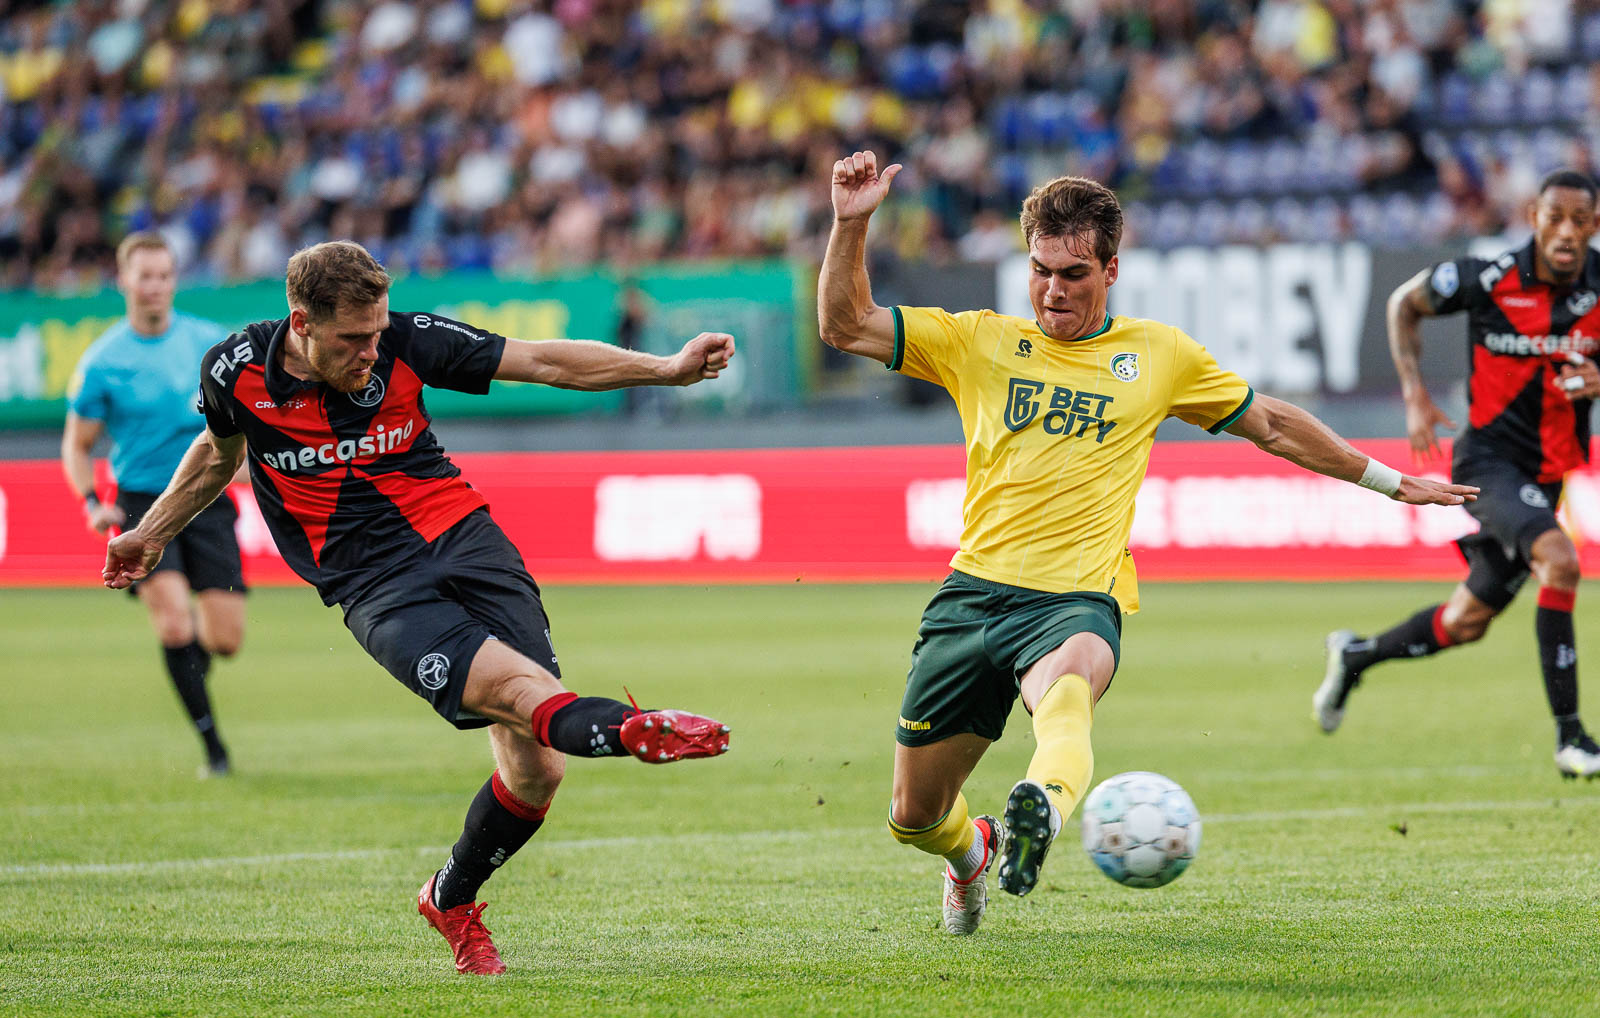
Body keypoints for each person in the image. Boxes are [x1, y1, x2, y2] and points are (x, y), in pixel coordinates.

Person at [817, 150, 1477, 936]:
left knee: (1064, 698)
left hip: (1075, 599)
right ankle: (974, 853)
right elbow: (844, 323)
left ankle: (1044, 812)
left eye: (1073, 273)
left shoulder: (1158, 356)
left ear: (1112, 269)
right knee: (913, 815)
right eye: (1041, 271)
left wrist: (1391, 482)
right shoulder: (978, 341)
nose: (1053, 290)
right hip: (969, 597)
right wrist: (849, 226)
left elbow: (1271, 423)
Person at [102, 240, 734, 975]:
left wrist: (665, 368)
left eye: (378, 331)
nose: (373, 349)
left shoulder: (403, 338)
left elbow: (543, 362)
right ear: (300, 321)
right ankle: (629, 729)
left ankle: (449, 895)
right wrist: (149, 533)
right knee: (521, 694)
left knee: (538, 771)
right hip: (374, 585)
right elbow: (218, 454)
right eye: (353, 338)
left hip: (466, 540)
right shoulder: (235, 370)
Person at [1313, 170, 1600, 780]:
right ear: (1533, 216)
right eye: (1556, 217)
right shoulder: (1485, 278)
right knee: (1561, 560)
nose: (1567, 232)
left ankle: (1357, 655)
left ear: (1595, 226)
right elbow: (1403, 305)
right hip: (1487, 463)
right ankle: (1572, 739)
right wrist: (1414, 395)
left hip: (1546, 474)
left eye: (1581, 220)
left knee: (1466, 622)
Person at [63, 231, 244, 777]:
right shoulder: (103, 361)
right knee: (173, 625)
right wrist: (93, 500)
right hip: (143, 503)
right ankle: (214, 748)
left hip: (208, 498)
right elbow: (77, 443)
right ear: (124, 280)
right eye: (145, 276)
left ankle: (190, 678)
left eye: (164, 275)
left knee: (225, 639)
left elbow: (243, 422)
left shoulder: (209, 345)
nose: (155, 287)